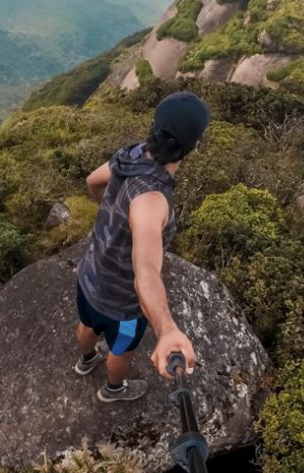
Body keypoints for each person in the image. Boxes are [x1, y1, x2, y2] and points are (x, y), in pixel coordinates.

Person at [73, 91, 210, 402]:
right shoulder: (151, 199)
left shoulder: (131, 154)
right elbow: (146, 271)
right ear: (195, 145)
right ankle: (113, 389)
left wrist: (112, 217)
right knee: (121, 348)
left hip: (89, 275)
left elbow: (93, 181)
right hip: (121, 304)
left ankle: (85, 360)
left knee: (86, 324)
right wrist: (166, 330)